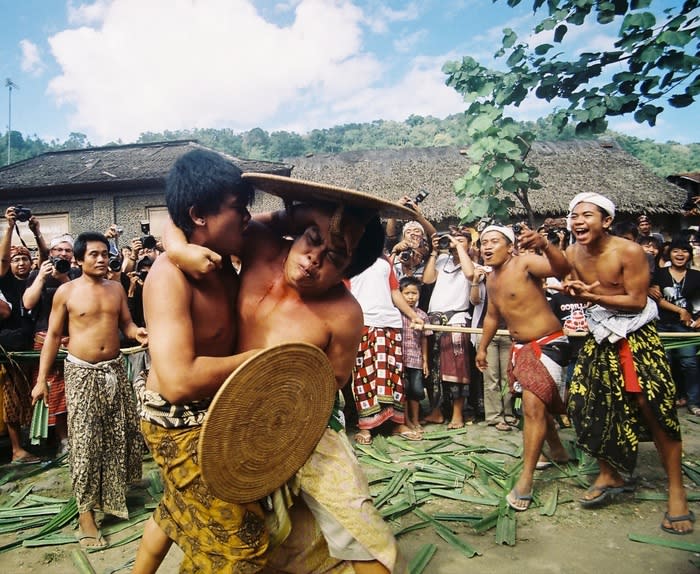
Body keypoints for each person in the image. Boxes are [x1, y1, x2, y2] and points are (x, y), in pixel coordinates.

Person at [135, 160, 407, 572]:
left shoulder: (345, 315)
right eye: (312, 238)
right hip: (202, 416)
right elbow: (198, 220)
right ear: (299, 230)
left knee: (356, 525)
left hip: (292, 425)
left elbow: (327, 387)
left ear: (349, 270)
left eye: (334, 256)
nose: (314, 258)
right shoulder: (259, 248)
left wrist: (279, 424)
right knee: (230, 537)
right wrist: (176, 247)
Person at [133, 150, 270, 573]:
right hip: (177, 422)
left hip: (217, 410)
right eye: (237, 209)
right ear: (199, 215)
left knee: (181, 510)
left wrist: (177, 238)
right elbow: (178, 381)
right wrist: (263, 360)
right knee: (242, 543)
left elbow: (289, 222)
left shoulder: (225, 252)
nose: (247, 218)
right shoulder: (169, 278)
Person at [564, 192, 693, 535]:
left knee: (653, 405)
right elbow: (565, 278)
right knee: (585, 404)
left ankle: (676, 490)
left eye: (587, 214)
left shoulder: (630, 251)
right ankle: (610, 473)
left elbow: (636, 302)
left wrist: (590, 296)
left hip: (636, 336)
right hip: (600, 335)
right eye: (574, 215)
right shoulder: (573, 252)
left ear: (606, 221)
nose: (578, 221)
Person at [30, 232, 146, 548]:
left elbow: (127, 325)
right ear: (78, 260)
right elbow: (53, 336)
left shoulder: (117, 289)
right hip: (81, 373)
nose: (100, 259)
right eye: (92, 254)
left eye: (104, 254)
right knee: (84, 441)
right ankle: (86, 513)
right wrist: (41, 380)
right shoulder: (66, 292)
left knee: (118, 433)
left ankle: (114, 492)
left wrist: (139, 333)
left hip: (114, 369)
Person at [475, 224, 572, 512]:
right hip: (522, 348)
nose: (487, 247)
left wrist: (544, 244)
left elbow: (561, 269)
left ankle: (526, 478)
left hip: (549, 343)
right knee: (536, 405)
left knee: (532, 406)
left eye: (494, 241)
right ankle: (557, 450)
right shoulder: (491, 279)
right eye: (483, 243)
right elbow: (492, 316)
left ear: (509, 246)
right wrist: (482, 348)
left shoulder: (525, 263)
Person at [350, 255, 423, 445]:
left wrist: (412, 315)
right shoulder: (347, 259)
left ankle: (398, 423)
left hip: (390, 323)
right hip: (363, 322)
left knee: (394, 377)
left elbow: (394, 292)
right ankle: (366, 426)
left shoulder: (385, 261)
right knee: (364, 376)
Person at [22, 233, 81, 456]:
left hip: (72, 339)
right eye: (59, 250)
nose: (63, 254)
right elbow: (27, 303)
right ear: (50, 254)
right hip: (45, 340)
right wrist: (41, 277)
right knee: (52, 390)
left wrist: (65, 279)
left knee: (73, 390)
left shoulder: (75, 274)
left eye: (67, 250)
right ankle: (61, 440)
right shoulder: (38, 274)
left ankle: (75, 437)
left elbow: (82, 298)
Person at [423, 227, 476, 429]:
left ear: (470, 245)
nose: (454, 244)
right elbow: (427, 280)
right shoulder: (442, 261)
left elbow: (471, 274)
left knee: (457, 370)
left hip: (456, 320)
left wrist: (459, 247)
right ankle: (436, 411)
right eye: (453, 241)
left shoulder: (473, 264)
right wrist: (435, 252)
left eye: (461, 240)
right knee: (435, 370)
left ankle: (457, 415)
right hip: (434, 319)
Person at [650, 237, 700, 416]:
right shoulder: (660, 273)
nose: (680, 254)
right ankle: (667, 401)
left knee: (690, 363)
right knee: (665, 364)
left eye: (684, 251)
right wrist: (681, 310)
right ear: (669, 253)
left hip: (686, 327)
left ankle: (694, 402)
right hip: (662, 324)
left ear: (689, 254)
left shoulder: (696, 276)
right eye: (676, 251)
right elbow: (657, 298)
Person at [398, 276, 432, 432]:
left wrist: (425, 361)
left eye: (414, 293)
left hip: (416, 359)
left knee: (417, 391)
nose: (411, 297)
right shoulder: (396, 314)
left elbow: (424, 339)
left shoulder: (422, 315)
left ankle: (416, 420)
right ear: (400, 294)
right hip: (400, 358)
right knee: (403, 390)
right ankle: (406, 421)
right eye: (407, 293)